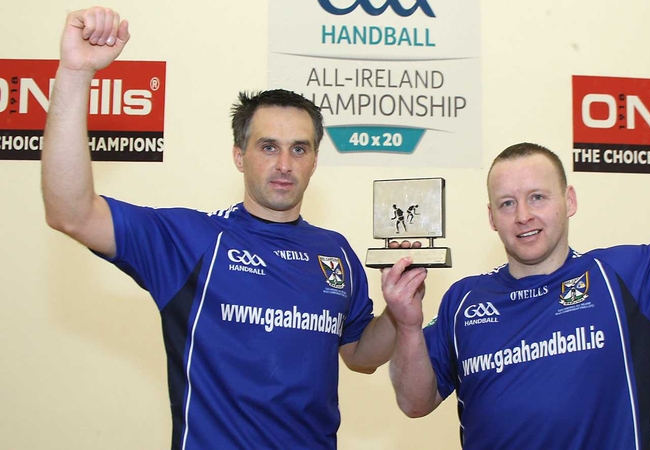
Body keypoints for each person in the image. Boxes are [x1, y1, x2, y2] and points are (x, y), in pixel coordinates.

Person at [41, 7, 425, 449]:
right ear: (240, 156)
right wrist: (75, 73)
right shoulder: (191, 241)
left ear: (315, 161)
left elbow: (359, 356)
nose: (285, 164)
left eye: (299, 149)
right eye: (268, 147)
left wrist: (399, 313)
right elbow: (70, 212)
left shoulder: (334, 252)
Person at [381, 99, 650, 448]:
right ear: (491, 218)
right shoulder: (463, 300)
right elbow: (414, 403)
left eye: (537, 197)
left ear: (569, 201)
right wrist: (408, 326)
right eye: (507, 203)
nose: (523, 216)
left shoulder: (626, 277)